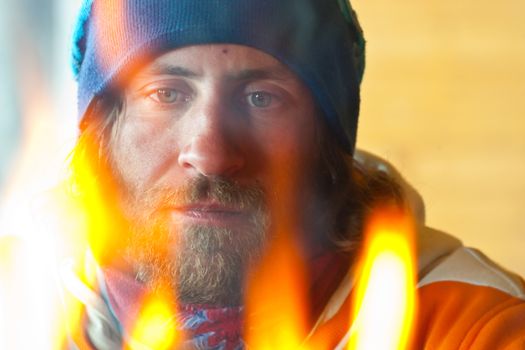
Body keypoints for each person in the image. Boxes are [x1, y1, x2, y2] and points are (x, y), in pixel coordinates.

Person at [61, 0, 525, 348]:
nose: (211, 153)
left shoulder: (471, 326)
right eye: (167, 94)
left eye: (261, 98)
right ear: (103, 130)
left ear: (327, 142)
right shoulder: (23, 307)